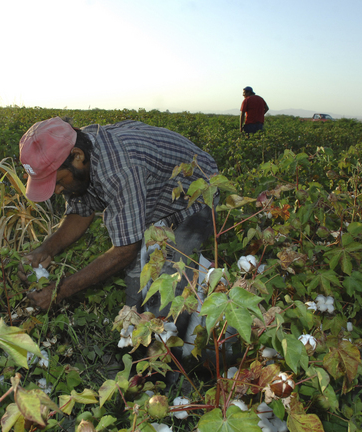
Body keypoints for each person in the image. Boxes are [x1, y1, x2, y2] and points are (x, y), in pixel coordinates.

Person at [18, 117, 218, 338]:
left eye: (57, 182)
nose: (57, 191)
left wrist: (60, 290)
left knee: (172, 282)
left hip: (195, 196)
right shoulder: (77, 154)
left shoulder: (118, 169)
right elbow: (81, 212)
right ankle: (134, 336)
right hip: (155, 195)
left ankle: (165, 351)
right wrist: (45, 249)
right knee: (137, 274)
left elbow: (124, 251)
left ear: (77, 156)